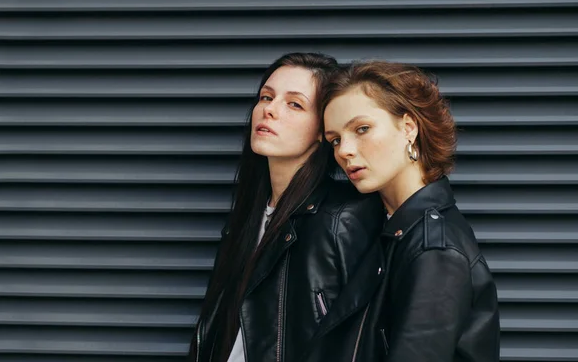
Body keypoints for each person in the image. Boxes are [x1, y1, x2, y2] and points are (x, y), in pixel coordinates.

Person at [189, 53, 384, 362]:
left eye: (294, 104)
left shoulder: (342, 219)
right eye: (266, 97)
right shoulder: (247, 219)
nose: (270, 110)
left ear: (323, 129)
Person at [312, 61, 500, 361]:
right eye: (335, 139)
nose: (344, 150)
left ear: (408, 128)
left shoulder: (432, 247)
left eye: (362, 129)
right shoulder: (393, 229)